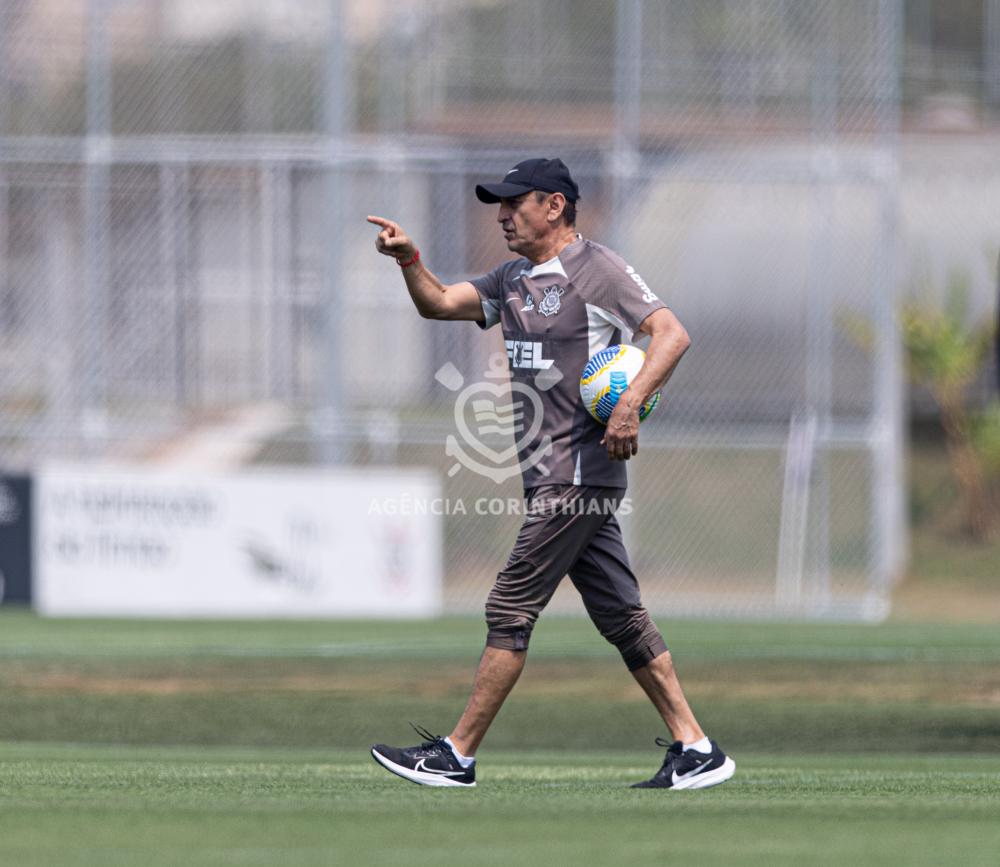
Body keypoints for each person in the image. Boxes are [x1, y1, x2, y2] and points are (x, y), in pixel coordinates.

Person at [366, 157, 735, 790]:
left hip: (577, 473)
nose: (504, 216)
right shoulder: (511, 278)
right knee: (621, 616)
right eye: (499, 206)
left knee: (510, 604)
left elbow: (671, 335)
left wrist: (626, 407)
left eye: (515, 203)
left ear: (555, 206)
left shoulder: (599, 270)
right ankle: (696, 748)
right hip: (549, 476)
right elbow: (440, 304)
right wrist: (409, 261)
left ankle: (457, 755)